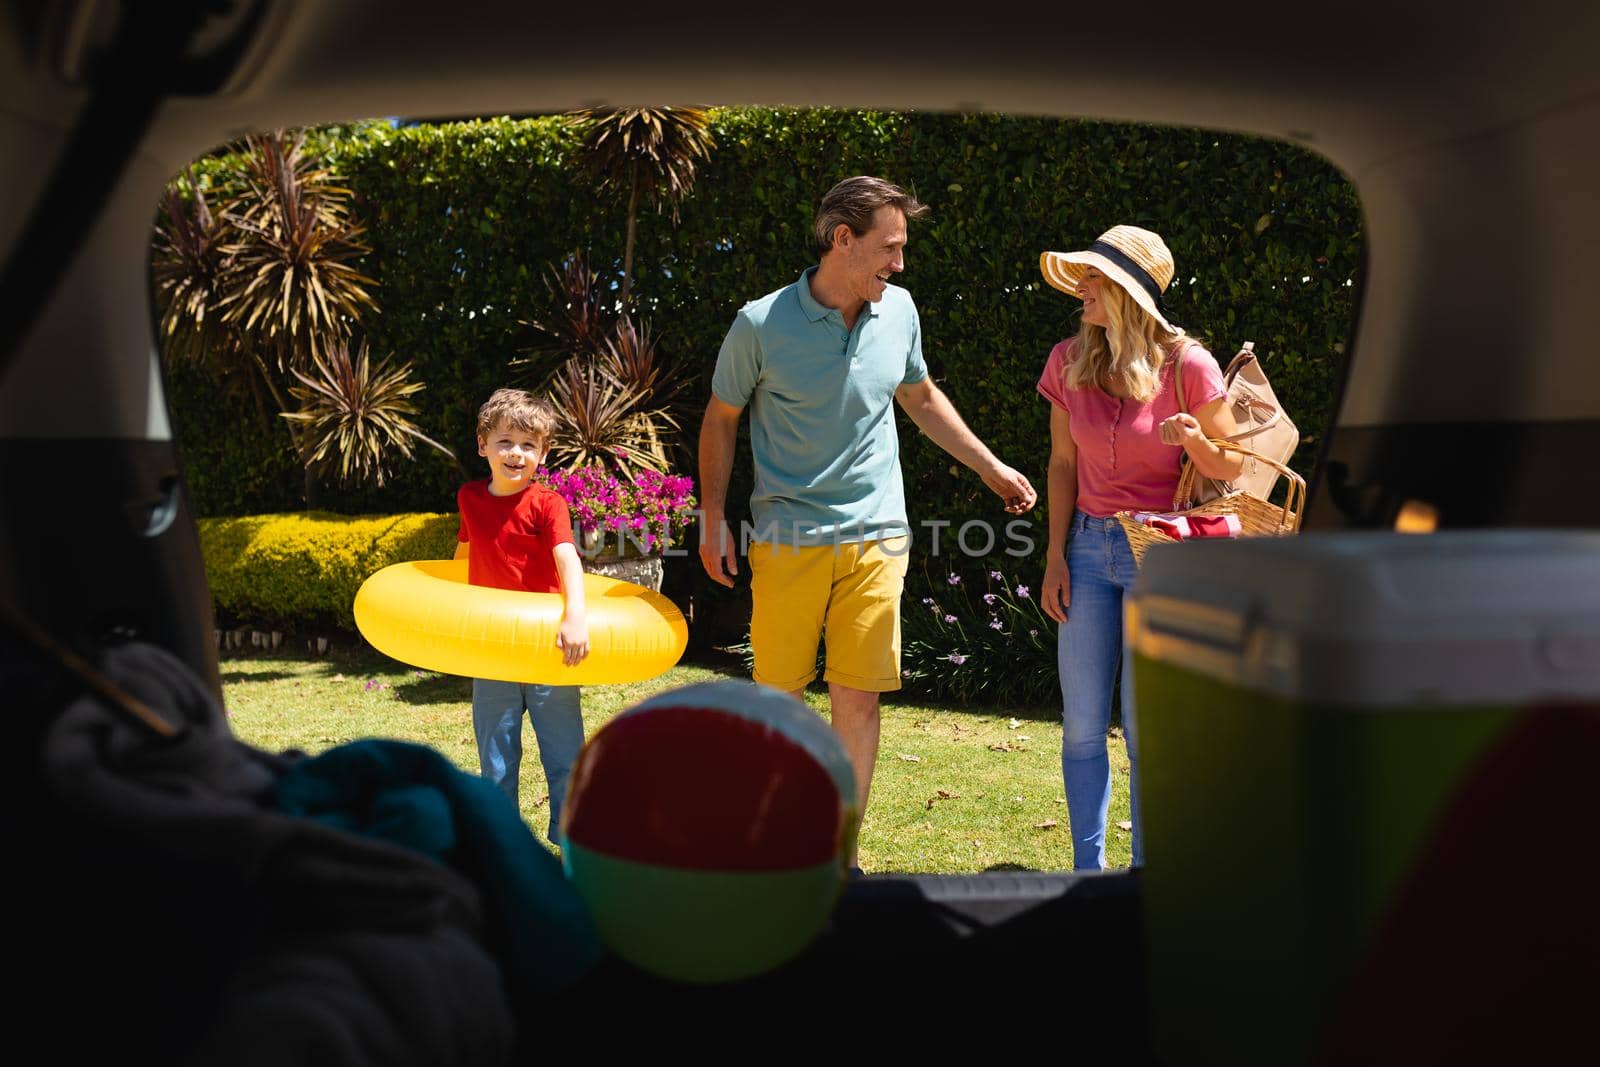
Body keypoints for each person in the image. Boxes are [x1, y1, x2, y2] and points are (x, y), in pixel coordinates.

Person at [699, 175, 1037, 870]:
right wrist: (711, 517)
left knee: (859, 697)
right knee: (781, 699)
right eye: (890, 247)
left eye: (903, 249)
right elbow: (721, 420)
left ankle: (839, 852)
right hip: (787, 537)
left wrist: (990, 467)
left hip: (877, 533)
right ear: (841, 239)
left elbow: (919, 395)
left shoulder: (901, 311)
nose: (900, 264)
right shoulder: (760, 323)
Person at [1035, 224, 1244, 870]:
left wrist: (1193, 442)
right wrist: (1054, 557)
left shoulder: (1189, 365)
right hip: (1091, 550)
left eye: (1094, 279)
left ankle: (1147, 879)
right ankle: (1086, 874)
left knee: (1146, 729)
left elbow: (1231, 469)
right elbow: (1062, 466)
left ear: (1128, 290)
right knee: (1081, 724)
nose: (1082, 290)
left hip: (1165, 553)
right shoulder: (1069, 360)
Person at [454, 388, 589, 843]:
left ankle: (572, 844)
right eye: (506, 441)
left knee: (564, 752)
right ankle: (502, 843)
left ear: (543, 454)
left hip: (549, 647)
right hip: (494, 648)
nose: (516, 453)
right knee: (495, 755)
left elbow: (567, 558)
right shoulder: (470, 498)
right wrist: (450, 608)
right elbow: (465, 549)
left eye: (529, 445)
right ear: (482, 445)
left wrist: (575, 617)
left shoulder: (547, 503)